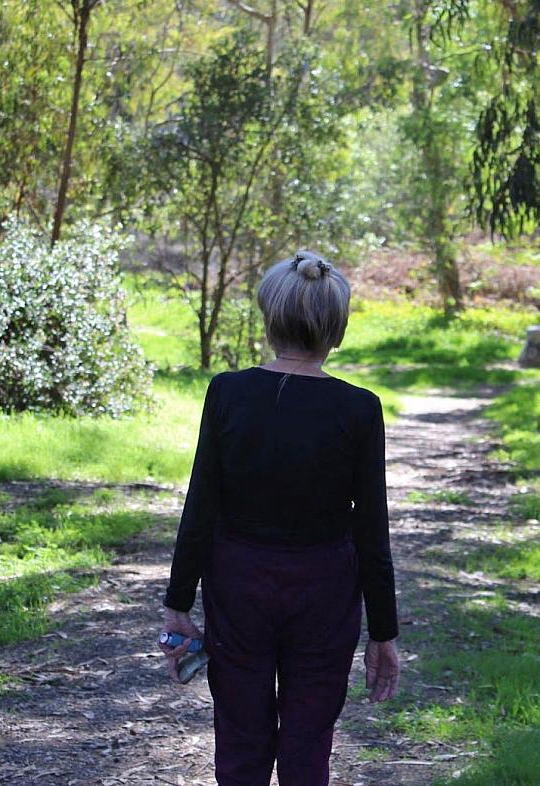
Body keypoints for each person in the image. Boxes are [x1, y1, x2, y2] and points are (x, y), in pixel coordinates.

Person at [159, 249, 400, 785]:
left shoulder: (228, 392)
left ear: (269, 321)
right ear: (336, 331)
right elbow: (372, 531)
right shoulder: (360, 408)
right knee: (308, 741)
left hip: (239, 586)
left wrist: (178, 605)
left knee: (241, 737)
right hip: (326, 594)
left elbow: (201, 504)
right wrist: (383, 632)